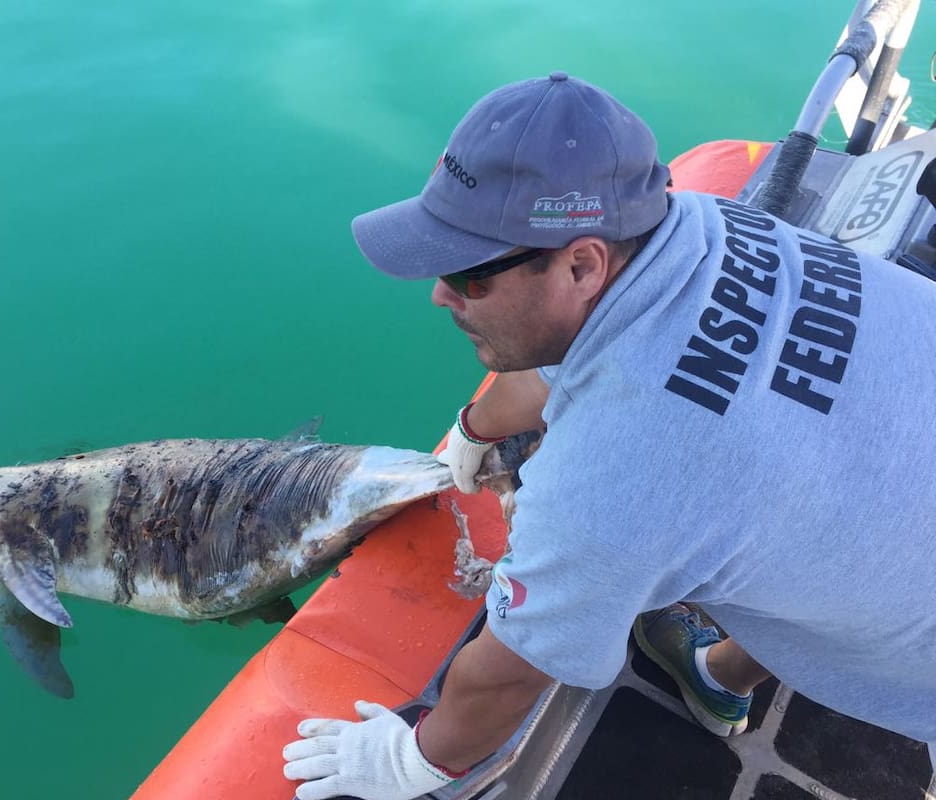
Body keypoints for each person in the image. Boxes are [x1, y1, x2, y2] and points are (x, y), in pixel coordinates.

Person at [280, 72, 936, 800]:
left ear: (583, 263)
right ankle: (718, 677)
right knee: (789, 509)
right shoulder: (702, 229)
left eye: (467, 274)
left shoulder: (617, 472)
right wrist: (473, 429)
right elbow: (573, 361)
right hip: (894, 483)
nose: (438, 292)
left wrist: (412, 761)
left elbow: (510, 671)